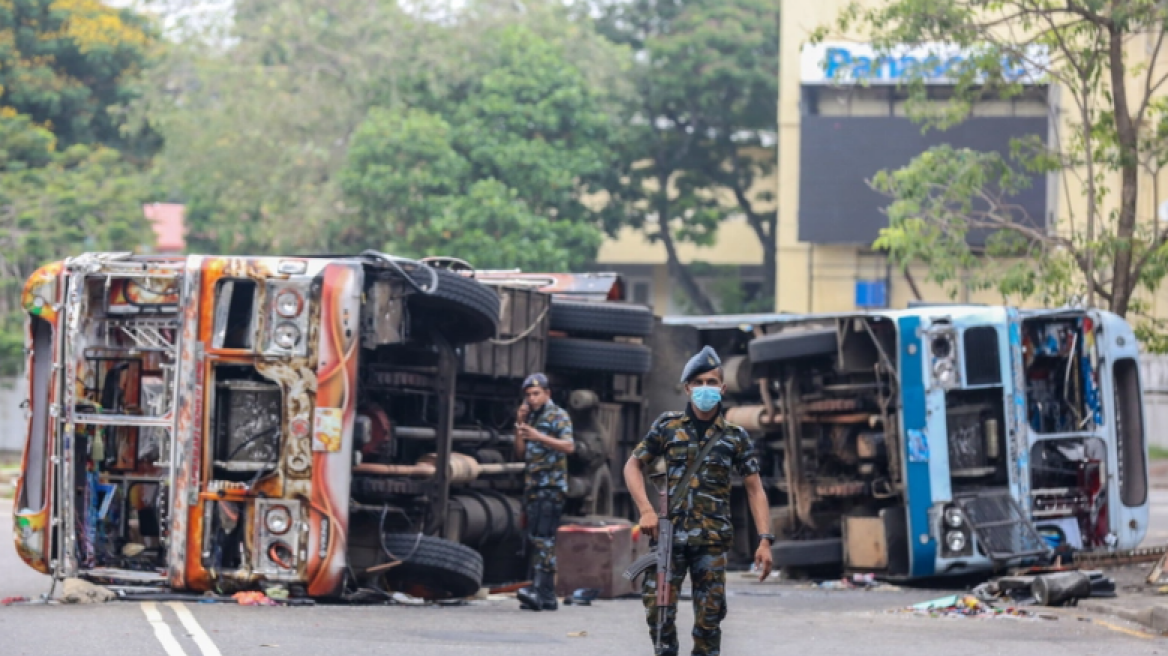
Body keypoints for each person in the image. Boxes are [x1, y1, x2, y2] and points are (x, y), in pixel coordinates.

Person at [623, 346, 774, 656]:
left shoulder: (735, 436)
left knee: (709, 622)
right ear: (687, 388)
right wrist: (646, 510)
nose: (705, 388)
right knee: (658, 613)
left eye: (711, 382)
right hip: (669, 538)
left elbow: (755, 489)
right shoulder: (668, 426)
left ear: (723, 388)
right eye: (698, 383)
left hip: (712, 541)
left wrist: (765, 540)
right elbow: (632, 466)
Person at [514, 372, 575, 611]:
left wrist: (539, 436)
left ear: (547, 393)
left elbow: (569, 446)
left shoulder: (558, 415)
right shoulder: (531, 417)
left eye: (536, 394)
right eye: (528, 395)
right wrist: (520, 425)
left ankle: (540, 591)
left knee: (544, 539)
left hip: (551, 486)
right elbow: (520, 452)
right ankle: (547, 595)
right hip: (534, 485)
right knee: (537, 538)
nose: (532, 398)